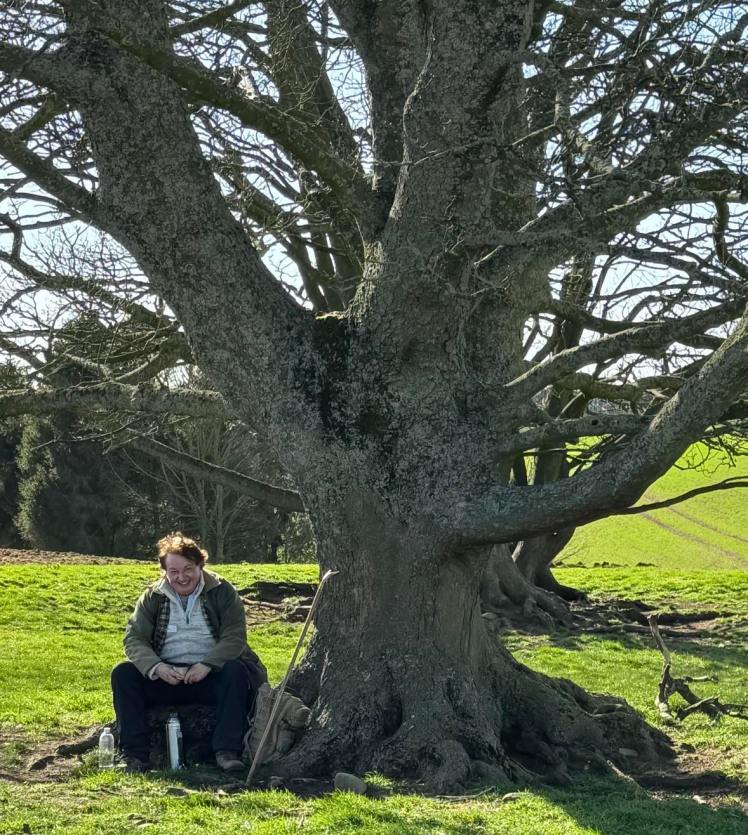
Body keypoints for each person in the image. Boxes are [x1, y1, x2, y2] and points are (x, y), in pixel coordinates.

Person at [111, 533, 267, 773]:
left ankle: (227, 752)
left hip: (209, 676)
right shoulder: (153, 596)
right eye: (174, 571)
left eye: (188, 569)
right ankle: (134, 754)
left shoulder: (222, 591)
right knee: (123, 673)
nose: (181, 577)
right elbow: (134, 638)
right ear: (164, 571)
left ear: (200, 565)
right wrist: (158, 668)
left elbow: (234, 636)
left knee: (236, 672)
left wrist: (207, 665)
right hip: (166, 677)